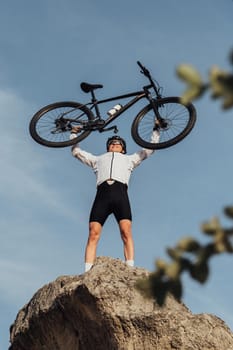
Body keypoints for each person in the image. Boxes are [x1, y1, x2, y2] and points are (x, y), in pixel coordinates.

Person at [70, 127, 160, 272]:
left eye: (118, 144)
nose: (115, 144)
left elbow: (149, 149)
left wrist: (156, 130)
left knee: (126, 231)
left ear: (123, 149)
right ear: (108, 147)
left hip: (120, 195)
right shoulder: (98, 159)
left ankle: (130, 269)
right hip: (102, 197)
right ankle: (87, 271)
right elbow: (76, 152)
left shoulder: (130, 159)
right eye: (112, 143)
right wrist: (74, 133)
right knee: (93, 233)